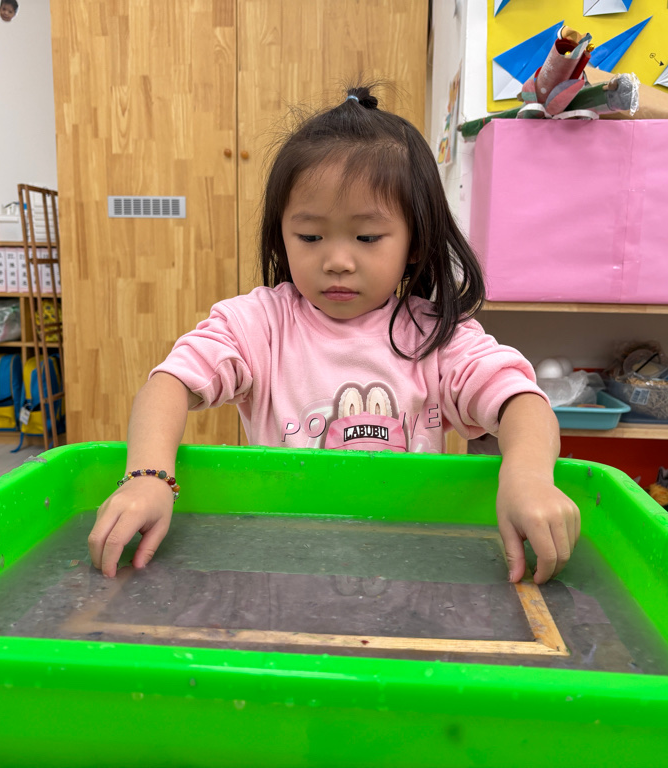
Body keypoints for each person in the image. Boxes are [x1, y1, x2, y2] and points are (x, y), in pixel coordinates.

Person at [88, 84, 580, 586]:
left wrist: (527, 476)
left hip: (406, 568)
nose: (338, 261)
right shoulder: (260, 325)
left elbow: (521, 400)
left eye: (367, 237)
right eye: (310, 236)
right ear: (281, 236)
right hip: (284, 562)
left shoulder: (437, 337)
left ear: (415, 241)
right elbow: (170, 384)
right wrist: (147, 476)